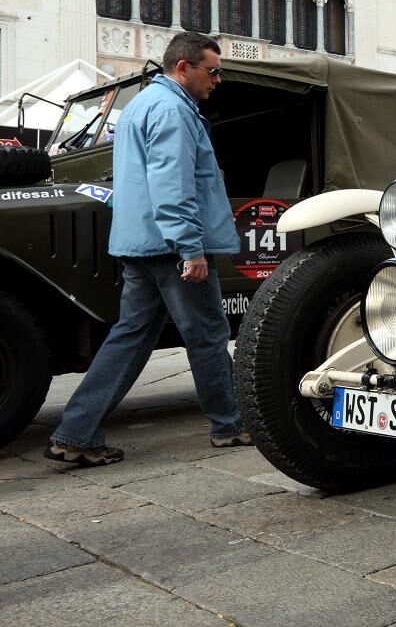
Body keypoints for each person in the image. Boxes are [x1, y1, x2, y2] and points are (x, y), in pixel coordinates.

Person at [45, 32, 251, 466]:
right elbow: (171, 186)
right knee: (209, 334)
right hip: (171, 245)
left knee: (130, 336)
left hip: (141, 243)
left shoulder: (138, 104)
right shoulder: (174, 110)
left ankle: (77, 432)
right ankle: (229, 424)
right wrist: (190, 248)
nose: (217, 80)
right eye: (212, 71)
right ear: (183, 68)